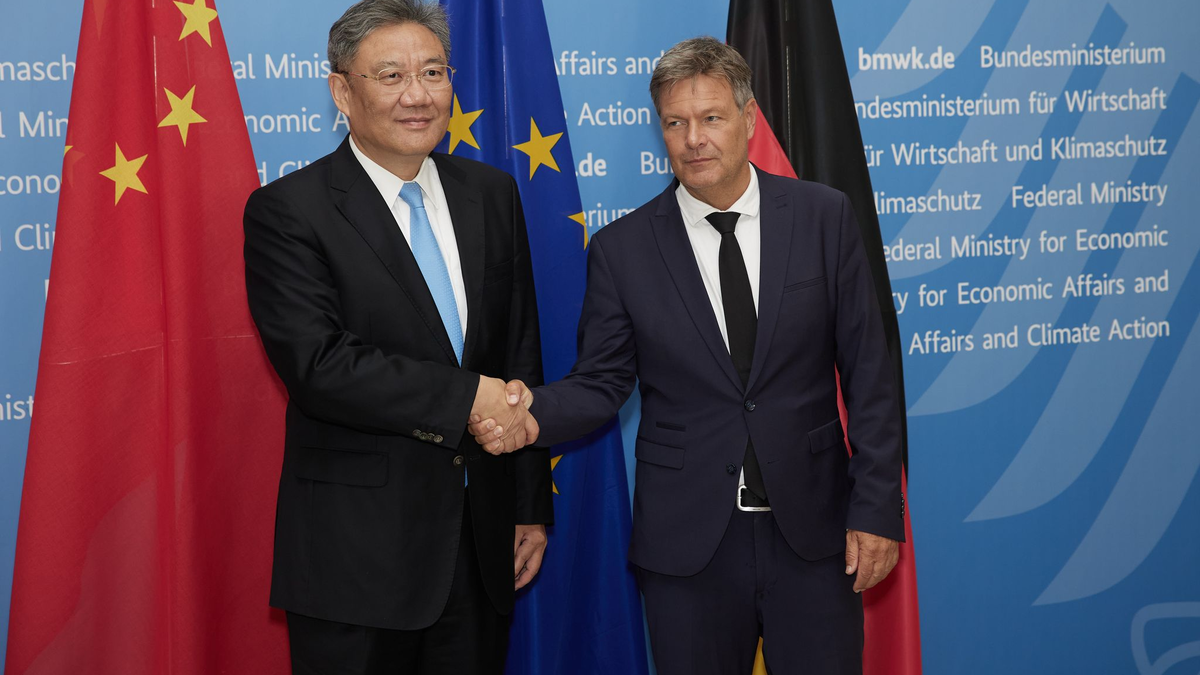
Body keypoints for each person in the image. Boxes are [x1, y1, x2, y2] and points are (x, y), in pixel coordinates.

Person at [471, 36, 904, 675]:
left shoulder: (823, 217)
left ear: (749, 119)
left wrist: (875, 507)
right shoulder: (623, 249)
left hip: (816, 533)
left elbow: (870, 372)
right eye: (675, 123)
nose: (693, 138)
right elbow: (601, 382)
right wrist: (529, 412)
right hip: (688, 547)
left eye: (710, 118)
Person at [242, 1, 550, 672]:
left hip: (479, 548)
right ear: (342, 91)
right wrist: (469, 397)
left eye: (434, 72)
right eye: (391, 75)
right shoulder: (289, 211)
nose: (418, 95)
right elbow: (319, 364)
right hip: (356, 563)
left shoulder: (491, 193)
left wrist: (527, 504)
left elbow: (519, 352)